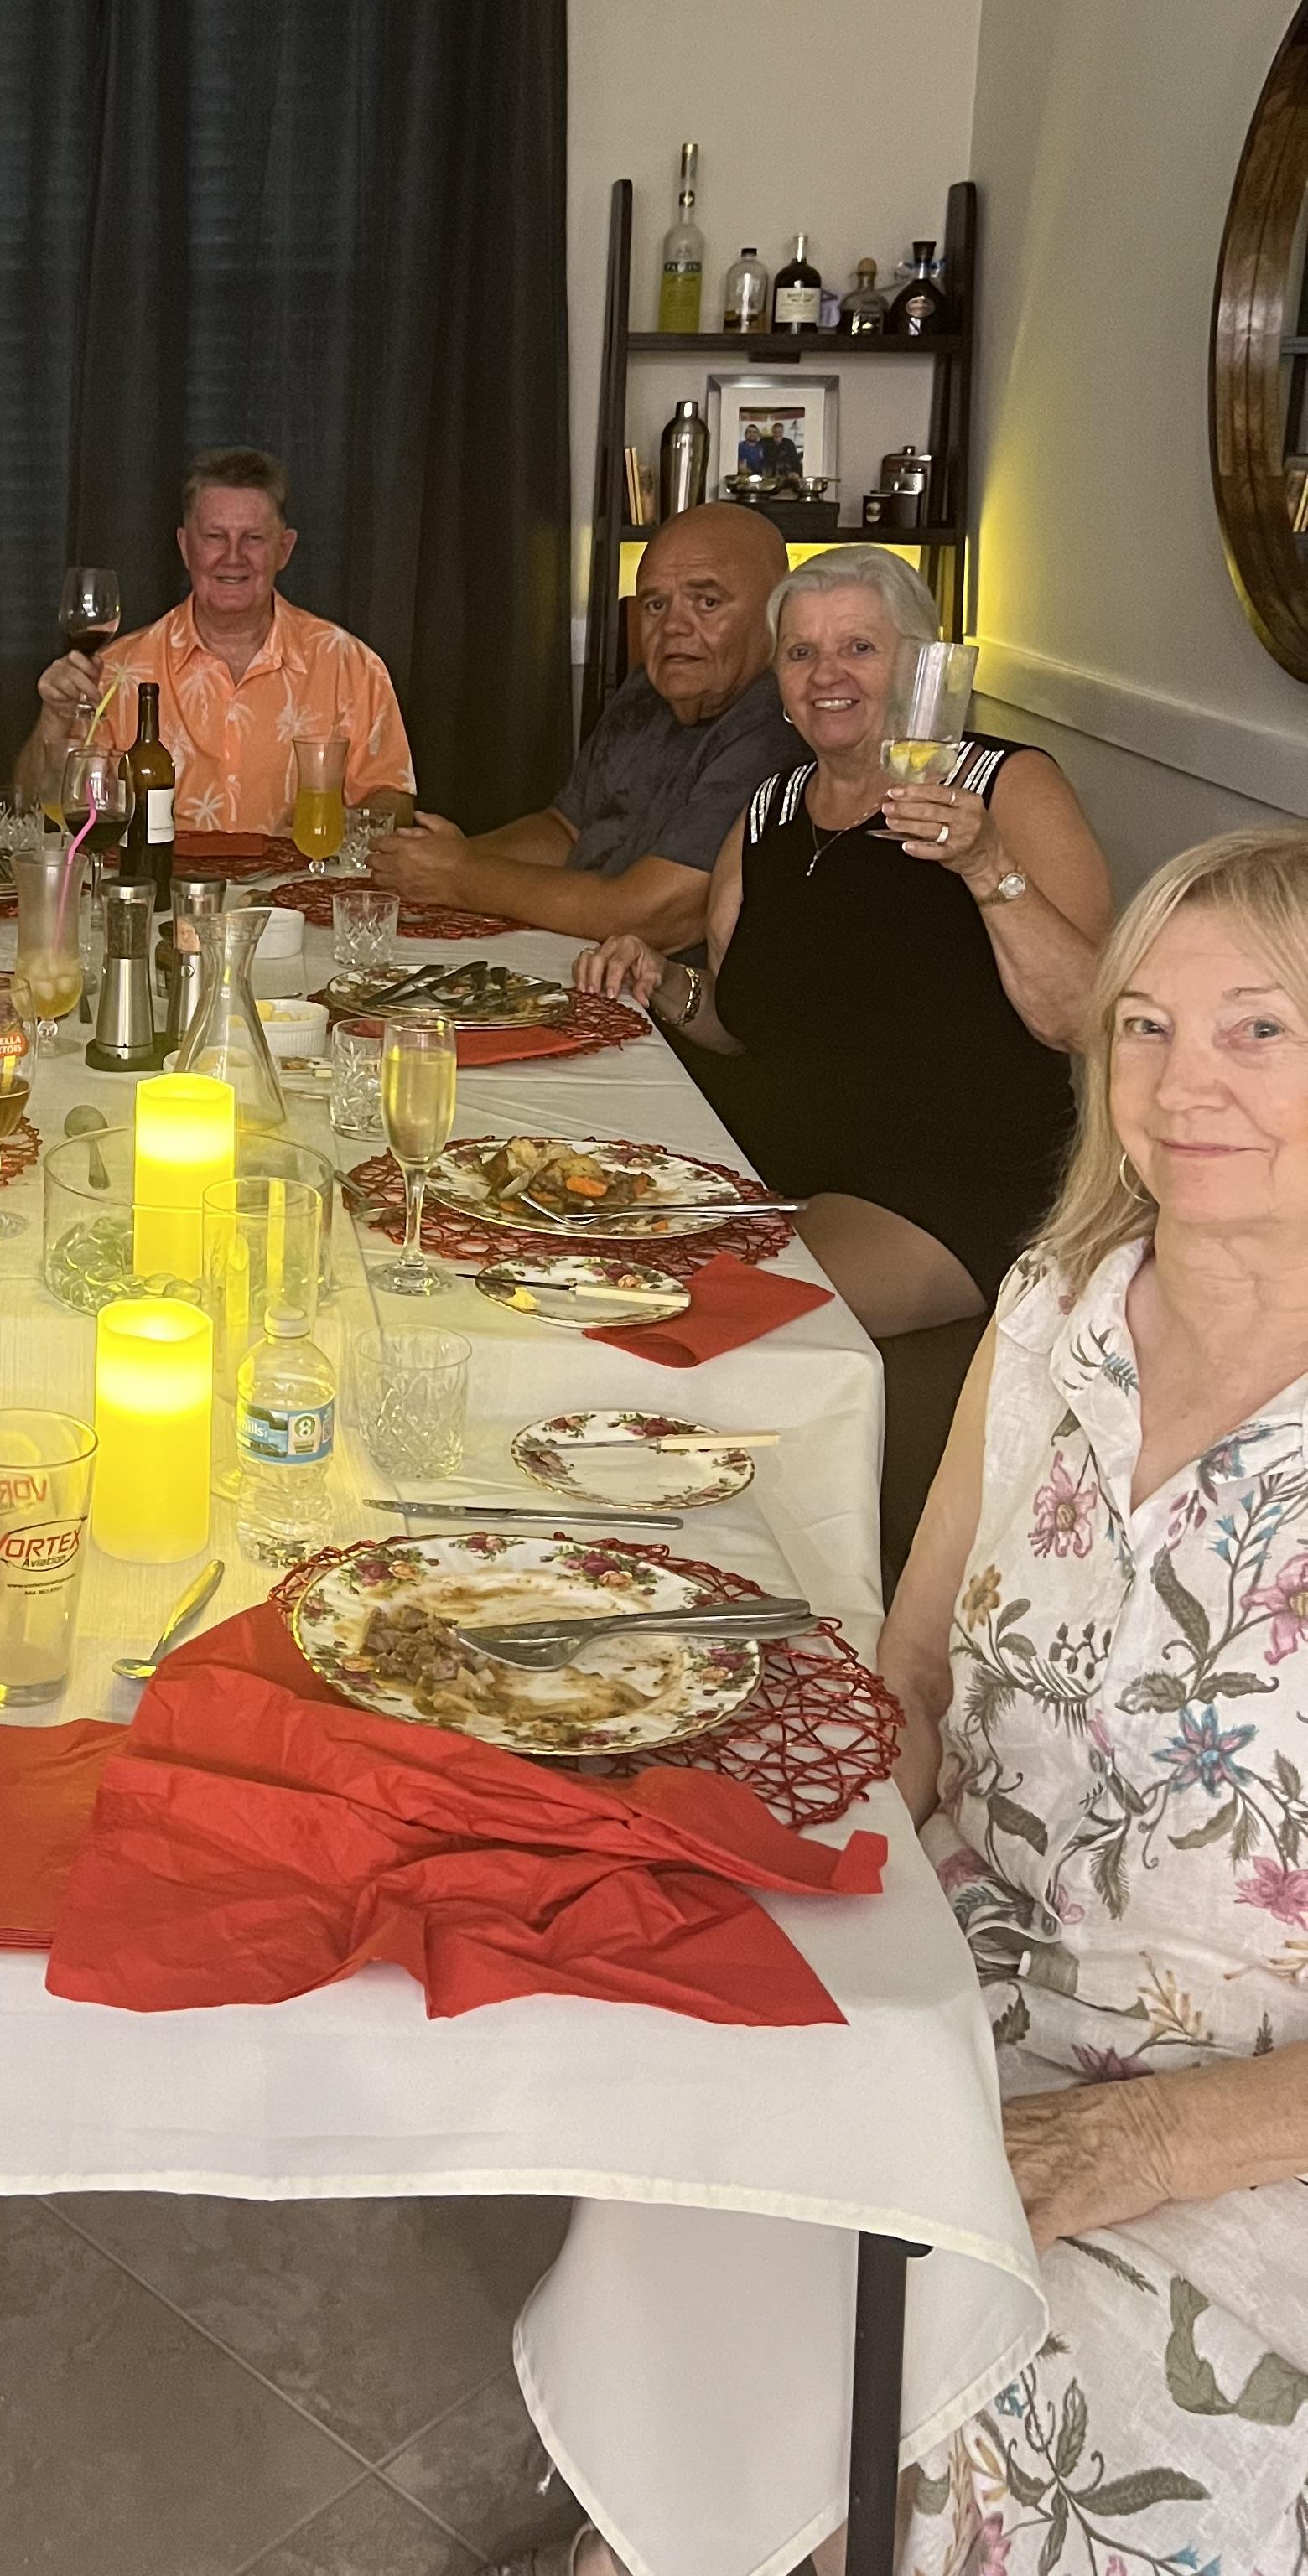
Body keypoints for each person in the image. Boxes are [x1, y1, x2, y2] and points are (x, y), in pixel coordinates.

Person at [879, 827, 1308, 2576]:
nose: (1183, 1083)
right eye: (1145, 1025)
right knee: (721, 2184)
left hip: (1253, 2120)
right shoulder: (1054, 1313)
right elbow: (913, 1669)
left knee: (985, 2404)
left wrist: (1139, 2139)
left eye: (1257, 1028)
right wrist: (801, 1889)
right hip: (968, 1964)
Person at [576, 545, 1111, 1340]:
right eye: (801, 653)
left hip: (946, 1189)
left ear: (918, 667)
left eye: (858, 647)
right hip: (769, 1168)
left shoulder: (1001, 786)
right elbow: (744, 1021)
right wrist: (662, 980)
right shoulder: (770, 810)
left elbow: (1082, 1019)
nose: (827, 673)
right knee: (569, 1250)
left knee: (695, 1318)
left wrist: (985, 864)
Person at [374, 502, 795, 952]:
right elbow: (566, 830)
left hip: (659, 984)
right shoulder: (647, 690)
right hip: (574, 950)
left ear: (778, 614)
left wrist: (462, 876)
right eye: (655, 604)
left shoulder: (779, 726)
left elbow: (653, 915)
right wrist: (436, 856)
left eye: (707, 602)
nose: (673, 626)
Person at [12, 447, 416, 833]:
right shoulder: (116, 671)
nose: (233, 557)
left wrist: (339, 822)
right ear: (186, 547)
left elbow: (393, 800)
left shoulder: (350, 665)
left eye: (253, 538)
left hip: (300, 882)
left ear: (284, 549)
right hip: (156, 882)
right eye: (215, 537)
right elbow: (35, 808)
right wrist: (55, 718)